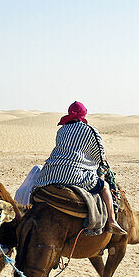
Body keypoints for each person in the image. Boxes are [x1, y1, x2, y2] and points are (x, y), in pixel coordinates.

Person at [34, 101, 126, 235]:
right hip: (74, 175)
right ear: (84, 114)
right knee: (105, 186)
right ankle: (112, 220)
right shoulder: (90, 131)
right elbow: (99, 155)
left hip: (50, 174)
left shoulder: (61, 130)